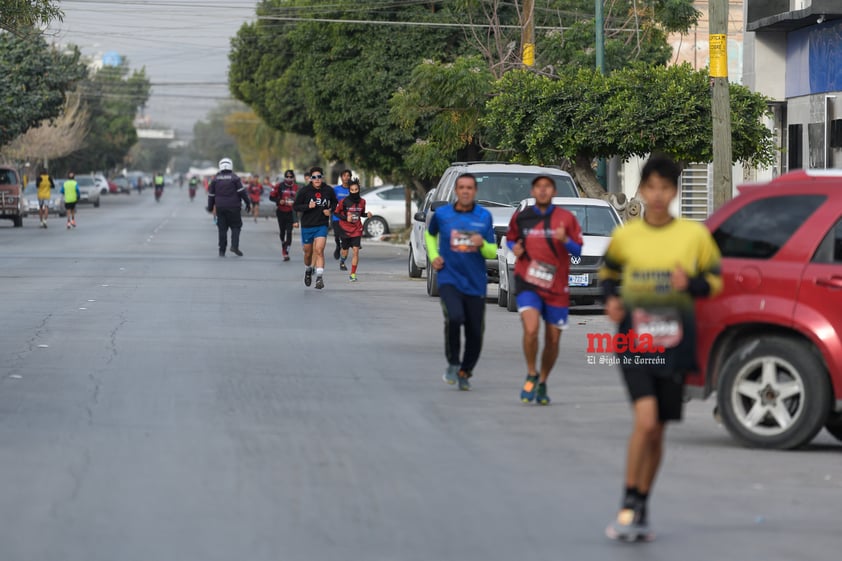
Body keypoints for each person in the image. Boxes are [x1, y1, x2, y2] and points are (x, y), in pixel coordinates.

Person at [599, 155, 722, 541]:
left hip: (676, 343)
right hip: (634, 341)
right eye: (650, 187)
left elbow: (715, 282)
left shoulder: (694, 237)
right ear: (642, 189)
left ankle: (641, 504)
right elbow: (608, 277)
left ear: (673, 191)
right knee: (646, 421)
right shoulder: (626, 236)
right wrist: (611, 300)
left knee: (658, 432)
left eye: (665, 188)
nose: (657, 195)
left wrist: (693, 285)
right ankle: (627, 501)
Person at [505, 175, 583, 406]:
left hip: (556, 286)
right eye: (538, 187)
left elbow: (578, 250)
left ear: (554, 192)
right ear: (532, 191)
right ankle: (531, 372)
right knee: (531, 330)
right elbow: (511, 239)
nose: (542, 191)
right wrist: (515, 248)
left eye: (547, 187)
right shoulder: (522, 216)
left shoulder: (566, 219)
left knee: (553, 339)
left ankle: (543, 380)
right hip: (528, 281)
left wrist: (565, 240)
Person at [425, 173, 496, 390]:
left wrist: (481, 243)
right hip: (449, 278)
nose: (465, 191)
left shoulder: (484, 216)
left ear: (475, 192)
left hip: (475, 282)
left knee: (475, 331)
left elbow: (492, 252)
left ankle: (466, 370)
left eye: (469, 188)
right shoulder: (443, 214)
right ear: (456, 191)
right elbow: (430, 235)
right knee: (454, 318)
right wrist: (433, 255)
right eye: (461, 187)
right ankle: (453, 362)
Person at [293, 166, 337, 289]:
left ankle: (319, 278)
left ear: (322, 178)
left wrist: (330, 210)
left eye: (319, 177)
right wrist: (308, 206)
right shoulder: (304, 191)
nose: (317, 179)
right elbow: (296, 206)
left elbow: (335, 203)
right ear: (310, 179)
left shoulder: (328, 190)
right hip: (307, 225)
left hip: (321, 225)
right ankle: (308, 270)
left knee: (319, 250)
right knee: (308, 253)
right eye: (314, 177)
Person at [207, 157, 251, 257]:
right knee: (236, 226)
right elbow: (242, 192)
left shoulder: (215, 179)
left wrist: (210, 207)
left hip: (220, 208)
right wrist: (248, 203)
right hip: (234, 207)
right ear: (231, 165)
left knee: (222, 229)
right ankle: (234, 246)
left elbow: (211, 195)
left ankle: (222, 251)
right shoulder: (235, 178)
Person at [334, 178, 372, 281]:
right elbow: (336, 213)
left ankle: (353, 274)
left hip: (357, 229)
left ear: (359, 190)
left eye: (356, 190)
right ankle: (342, 260)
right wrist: (346, 218)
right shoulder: (344, 201)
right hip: (345, 229)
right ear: (349, 191)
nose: (354, 192)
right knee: (345, 251)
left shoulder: (362, 202)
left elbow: (361, 213)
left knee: (356, 251)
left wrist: (367, 215)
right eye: (352, 190)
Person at [271, 170, 299, 261]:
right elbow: (271, 197)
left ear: (294, 177)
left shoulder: (296, 187)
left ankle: (286, 252)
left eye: (291, 177)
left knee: (289, 232)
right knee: (282, 231)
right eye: (287, 176)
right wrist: (279, 201)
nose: (289, 178)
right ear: (285, 177)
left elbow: (300, 199)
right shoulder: (279, 186)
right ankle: (283, 243)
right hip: (281, 211)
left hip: (291, 213)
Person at [332, 169, 351, 260]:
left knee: (346, 236)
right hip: (337, 216)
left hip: (348, 217)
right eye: (344, 175)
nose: (346, 177)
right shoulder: (336, 189)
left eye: (348, 175)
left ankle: (344, 249)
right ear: (341, 177)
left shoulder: (353, 189)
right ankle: (338, 246)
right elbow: (331, 201)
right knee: (337, 235)